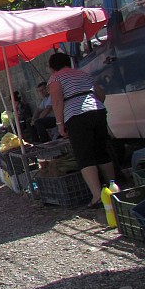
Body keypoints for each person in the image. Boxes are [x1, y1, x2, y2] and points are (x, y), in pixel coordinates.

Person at [48, 52, 115, 208]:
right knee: (101, 151)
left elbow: (57, 102)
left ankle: (97, 196)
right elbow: (101, 94)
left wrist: (60, 124)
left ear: (52, 67)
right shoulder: (82, 73)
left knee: (84, 155)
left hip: (76, 116)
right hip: (97, 110)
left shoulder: (55, 78)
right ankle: (113, 189)